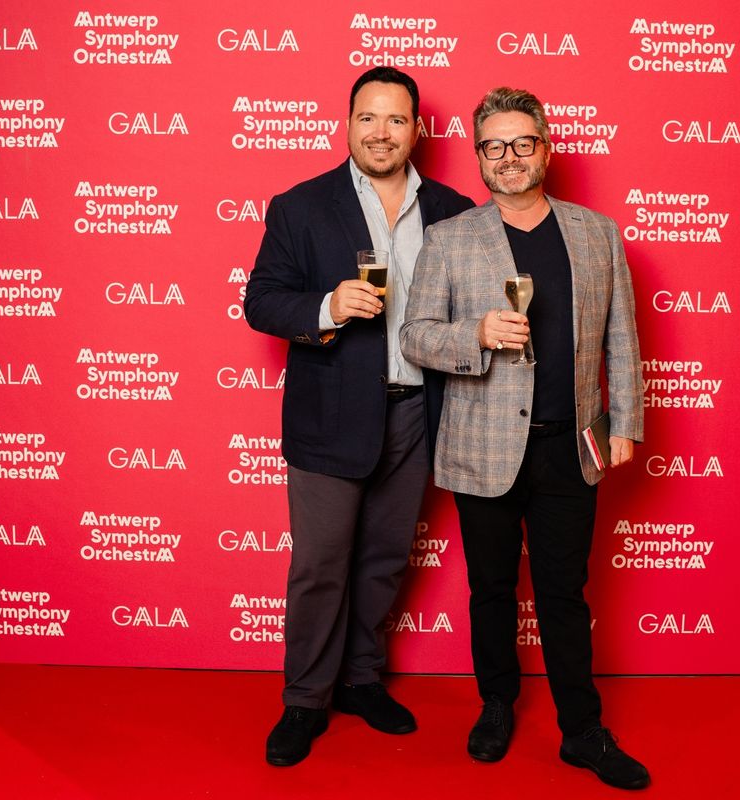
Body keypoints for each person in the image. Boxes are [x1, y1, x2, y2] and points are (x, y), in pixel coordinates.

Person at [400, 87, 649, 790]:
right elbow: (415, 336)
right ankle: (497, 705)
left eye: (522, 142)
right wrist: (475, 334)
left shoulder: (597, 233)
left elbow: (623, 336)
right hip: (482, 445)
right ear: (479, 156)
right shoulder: (451, 239)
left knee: (566, 593)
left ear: (546, 147)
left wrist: (625, 422)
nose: (508, 157)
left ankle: (582, 731)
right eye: (493, 146)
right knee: (491, 589)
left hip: (572, 445)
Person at [244, 67, 474, 767]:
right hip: (330, 415)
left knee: (383, 559)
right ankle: (305, 699)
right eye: (368, 118)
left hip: (417, 413)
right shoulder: (301, 206)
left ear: (417, 129)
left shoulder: (454, 210)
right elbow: (262, 301)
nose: (381, 133)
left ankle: (361, 679)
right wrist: (327, 307)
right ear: (347, 124)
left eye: (396, 120)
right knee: (320, 565)